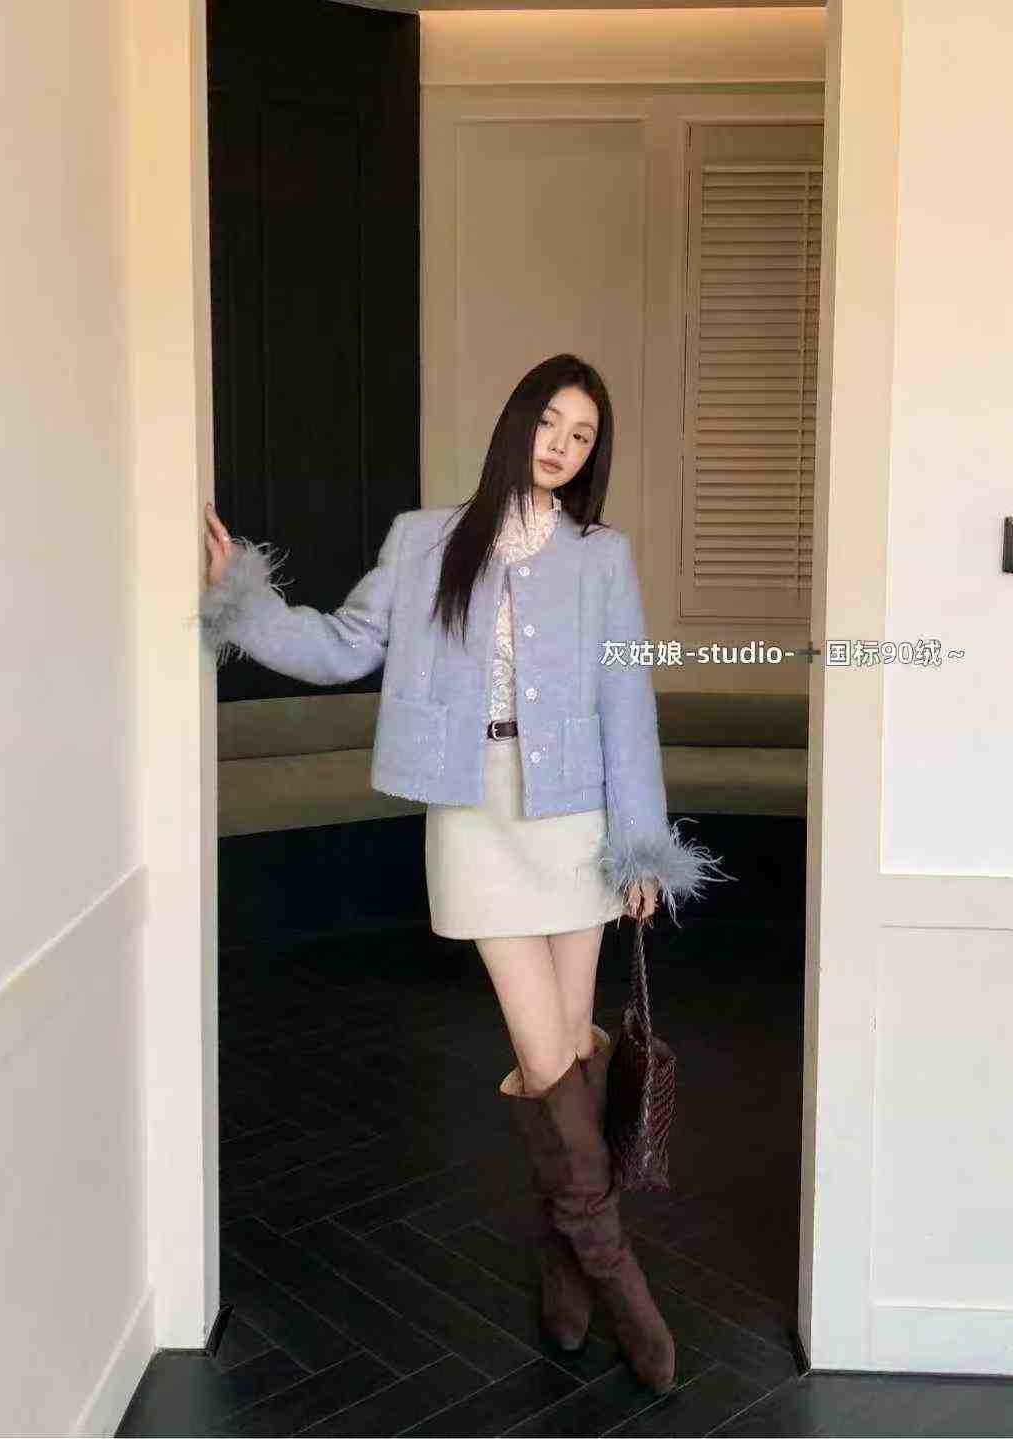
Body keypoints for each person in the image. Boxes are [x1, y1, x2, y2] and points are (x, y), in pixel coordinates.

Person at [200, 354, 730, 1392]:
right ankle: (619, 1277)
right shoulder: (424, 538)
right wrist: (240, 601)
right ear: (517, 420)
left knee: (570, 1055)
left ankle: (564, 1264)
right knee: (544, 1054)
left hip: (576, 818)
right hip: (476, 816)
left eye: (582, 434)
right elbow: (344, 644)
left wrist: (641, 843)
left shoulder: (601, 555)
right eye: (551, 421)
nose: (562, 444)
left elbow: (627, 699)